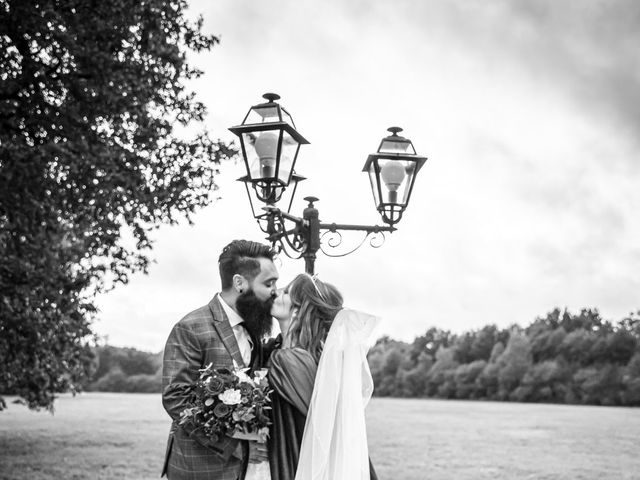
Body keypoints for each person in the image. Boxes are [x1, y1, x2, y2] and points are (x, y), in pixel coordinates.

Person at [161, 239, 278, 480]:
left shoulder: (254, 327)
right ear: (240, 283)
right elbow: (176, 398)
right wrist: (234, 445)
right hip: (201, 466)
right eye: (269, 283)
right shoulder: (191, 327)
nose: (275, 291)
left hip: (250, 469)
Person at [267, 273, 380, 480]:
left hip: (297, 458)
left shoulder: (288, 360)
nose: (276, 292)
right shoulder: (288, 352)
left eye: (285, 292)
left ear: (298, 310)